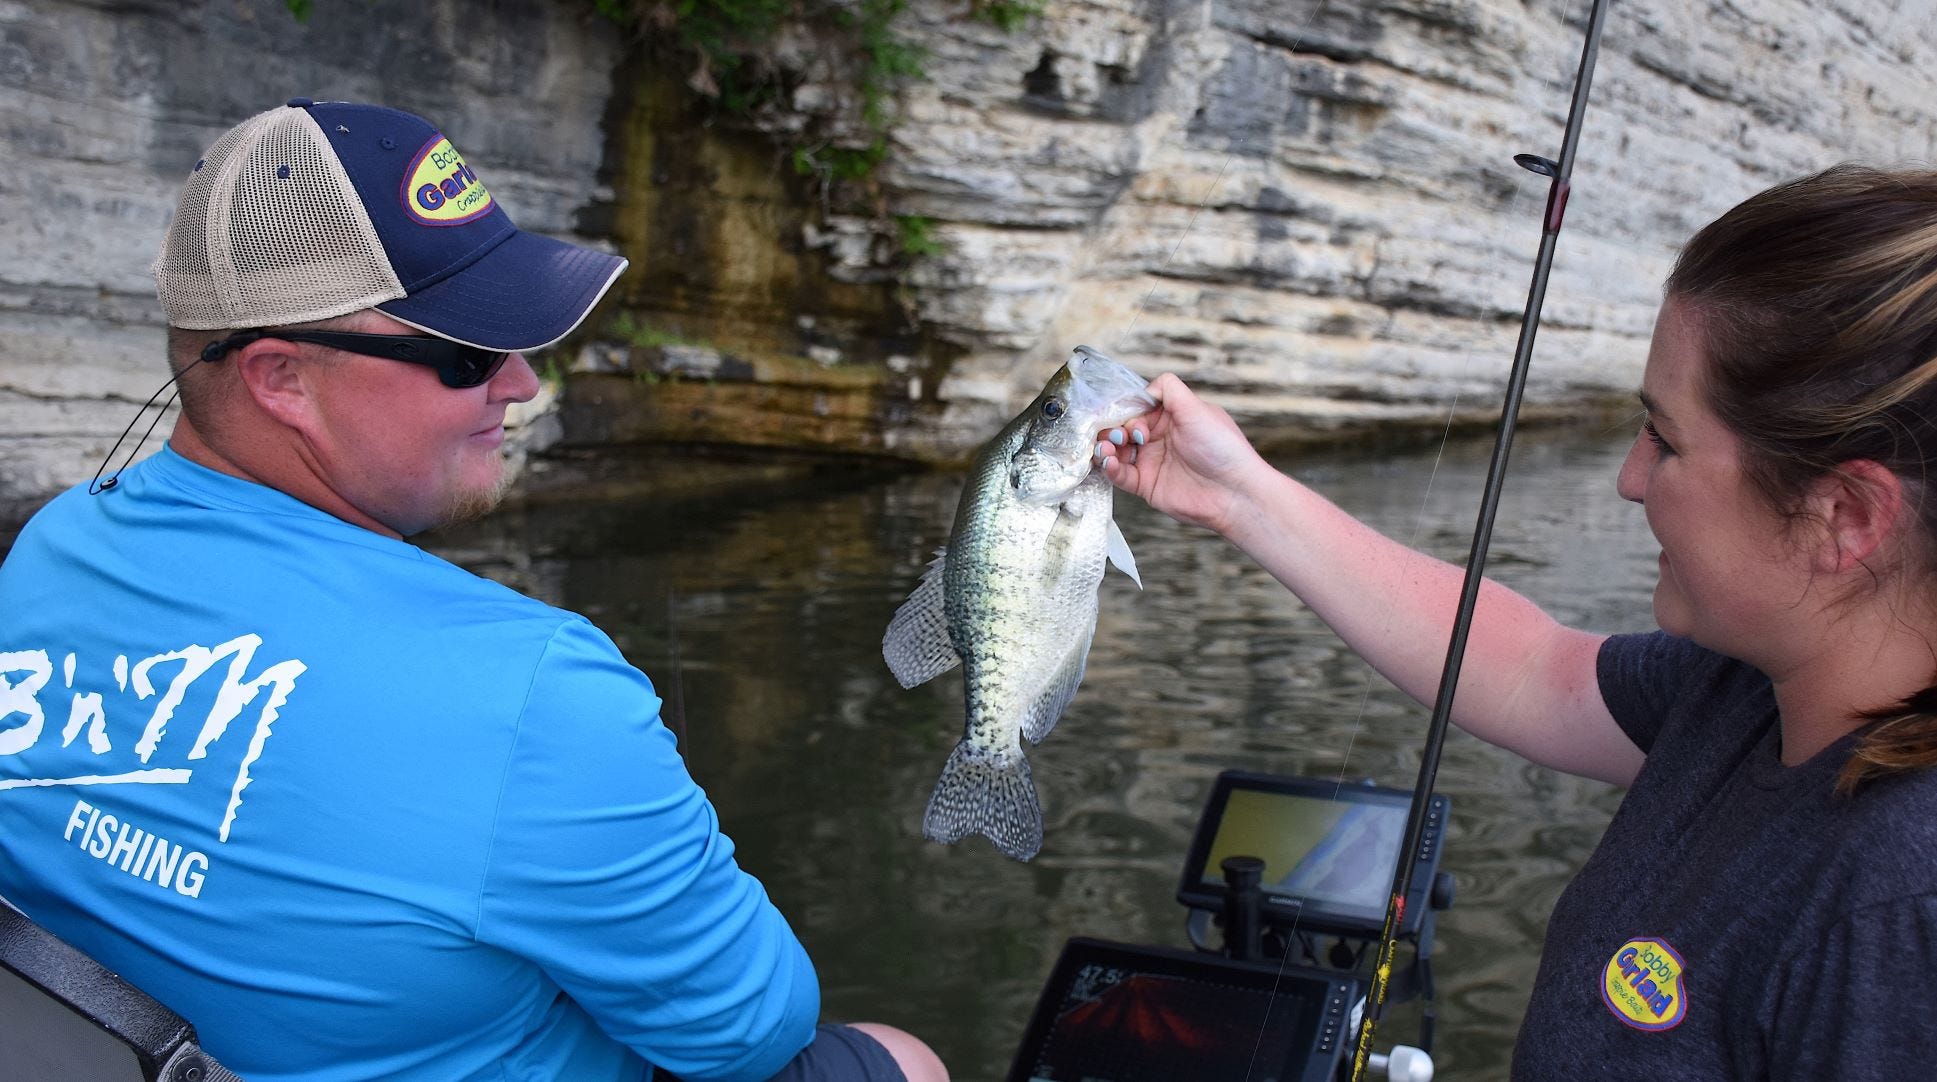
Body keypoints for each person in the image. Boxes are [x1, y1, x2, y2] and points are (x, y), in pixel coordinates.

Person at [0, 99, 946, 1082]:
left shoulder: (53, 546)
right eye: (465, 351)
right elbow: (751, 1026)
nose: (523, 382)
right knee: (898, 1059)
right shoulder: (531, 691)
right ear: (281, 377)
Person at [1095, 164, 1937, 1077]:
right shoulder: (1748, 687)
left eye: (1664, 438)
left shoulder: (1896, 906)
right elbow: (1539, 669)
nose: (1628, 476)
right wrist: (1239, 495)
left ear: (1844, 518)